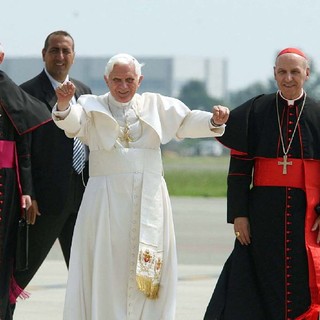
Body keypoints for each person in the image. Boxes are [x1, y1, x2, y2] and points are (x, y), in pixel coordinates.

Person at [52, 53, 229, 320]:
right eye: (116, 80)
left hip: (150, 197)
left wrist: (214, 121)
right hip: (105, 202)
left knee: (150, 271)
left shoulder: (155, 105)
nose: (123, 87)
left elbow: (185, 122)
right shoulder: (91, 105)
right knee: (107, 267)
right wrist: (64, 104)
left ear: (140, 80)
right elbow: (72, 122)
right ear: (106, 80)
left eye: (129, 80)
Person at [204, 48, 320, 319]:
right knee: (252, 281)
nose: (288, 78)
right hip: (261, 215)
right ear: (274, 74)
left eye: (294, 72)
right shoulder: (257, 109)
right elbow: (239, 169)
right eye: (282, 72)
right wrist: (239, 214)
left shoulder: (317, 112)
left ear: (306, 73)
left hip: (306, 215)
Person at [13, 30, 92, 292]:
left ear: (73, 56)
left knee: (85, 277)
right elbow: (22, 147)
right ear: (43, 55)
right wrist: (29, 193)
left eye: (66, 51)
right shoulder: (26, 93)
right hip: (44, 202)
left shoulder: (84, 92)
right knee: (20, 274)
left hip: (81, 198)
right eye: (54, 50)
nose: (60, 56)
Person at [0, 43, 51, 319]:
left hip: (3, 188)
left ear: (1, 58)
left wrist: (27, 192)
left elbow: (24, 148)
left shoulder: (11, 93)